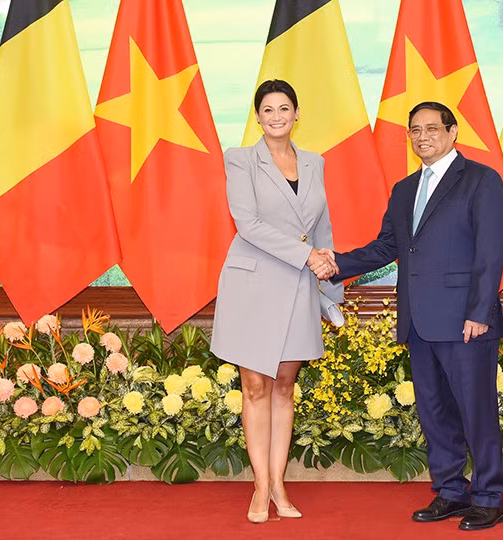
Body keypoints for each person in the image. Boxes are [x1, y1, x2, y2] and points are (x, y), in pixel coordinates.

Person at [326, 101, 503, 531]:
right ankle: (450, 490)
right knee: (434, 411)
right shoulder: (405, 189)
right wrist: (336, 262)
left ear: (452, 132)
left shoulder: (481, 181)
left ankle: (489, 497)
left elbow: (490, 252)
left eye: (431, 128)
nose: (422, 136)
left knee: (476, 411)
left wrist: (479, 312)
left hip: (466, 321)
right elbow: (387, 247)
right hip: (419, 321)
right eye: (414, 130)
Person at [211, 79, 342, 524]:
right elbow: (247, 224)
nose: (276, 116)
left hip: (302, 285)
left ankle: (280, 483)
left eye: (284, 108)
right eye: (267, 110)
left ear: (296, 113)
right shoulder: (241, 160)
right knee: (255, 388)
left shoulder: (315, 162)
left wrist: (329, 291)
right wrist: (306, 255)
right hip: (253, 286)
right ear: (258, 116)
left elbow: (321, 230)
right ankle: (260, 487)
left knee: (284, 387)